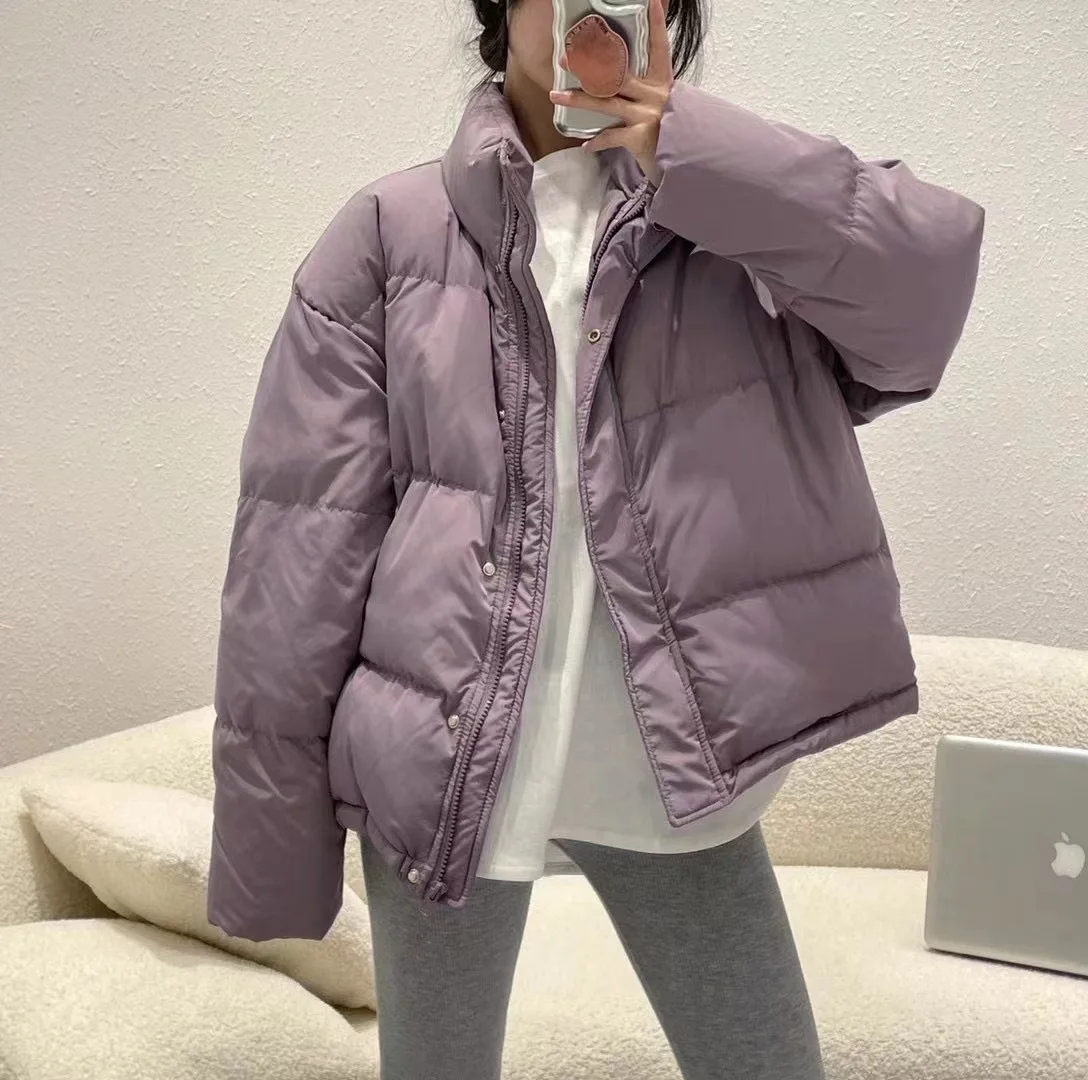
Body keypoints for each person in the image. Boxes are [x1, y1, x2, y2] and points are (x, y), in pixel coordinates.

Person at [207, 0, 984, 1076]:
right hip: (446, 770)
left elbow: (926, 288)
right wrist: (272, 851)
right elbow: (298, 551)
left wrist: (700, 153)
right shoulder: (388, 235)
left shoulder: (737, 225)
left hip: (674, 767)